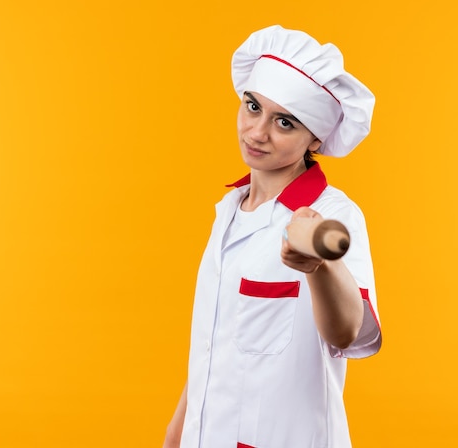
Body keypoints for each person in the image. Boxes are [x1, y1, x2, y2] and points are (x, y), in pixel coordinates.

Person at [163, 25, 381, 448]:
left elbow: (348, 333)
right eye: (252, 106)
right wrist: (176, 434)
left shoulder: (335, 215)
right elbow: (213, 347)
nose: (256, 132)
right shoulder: (229, 209)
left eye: (284, 122)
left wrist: (320, 264)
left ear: (315, 138)